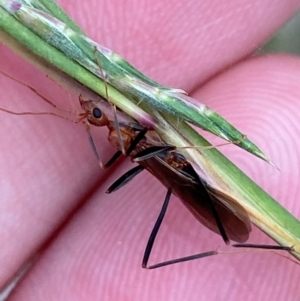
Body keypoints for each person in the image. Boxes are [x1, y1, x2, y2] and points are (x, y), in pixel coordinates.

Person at [0, 0, 300, 300]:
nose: (95, 110)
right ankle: (249, 249)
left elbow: (129, 146)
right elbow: (145, 141)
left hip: (167, 161)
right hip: (174, 167)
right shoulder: (127, 135)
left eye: (95, 112)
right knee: (173, 200)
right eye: (96, 114)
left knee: (129, 167)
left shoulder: (124, 134)